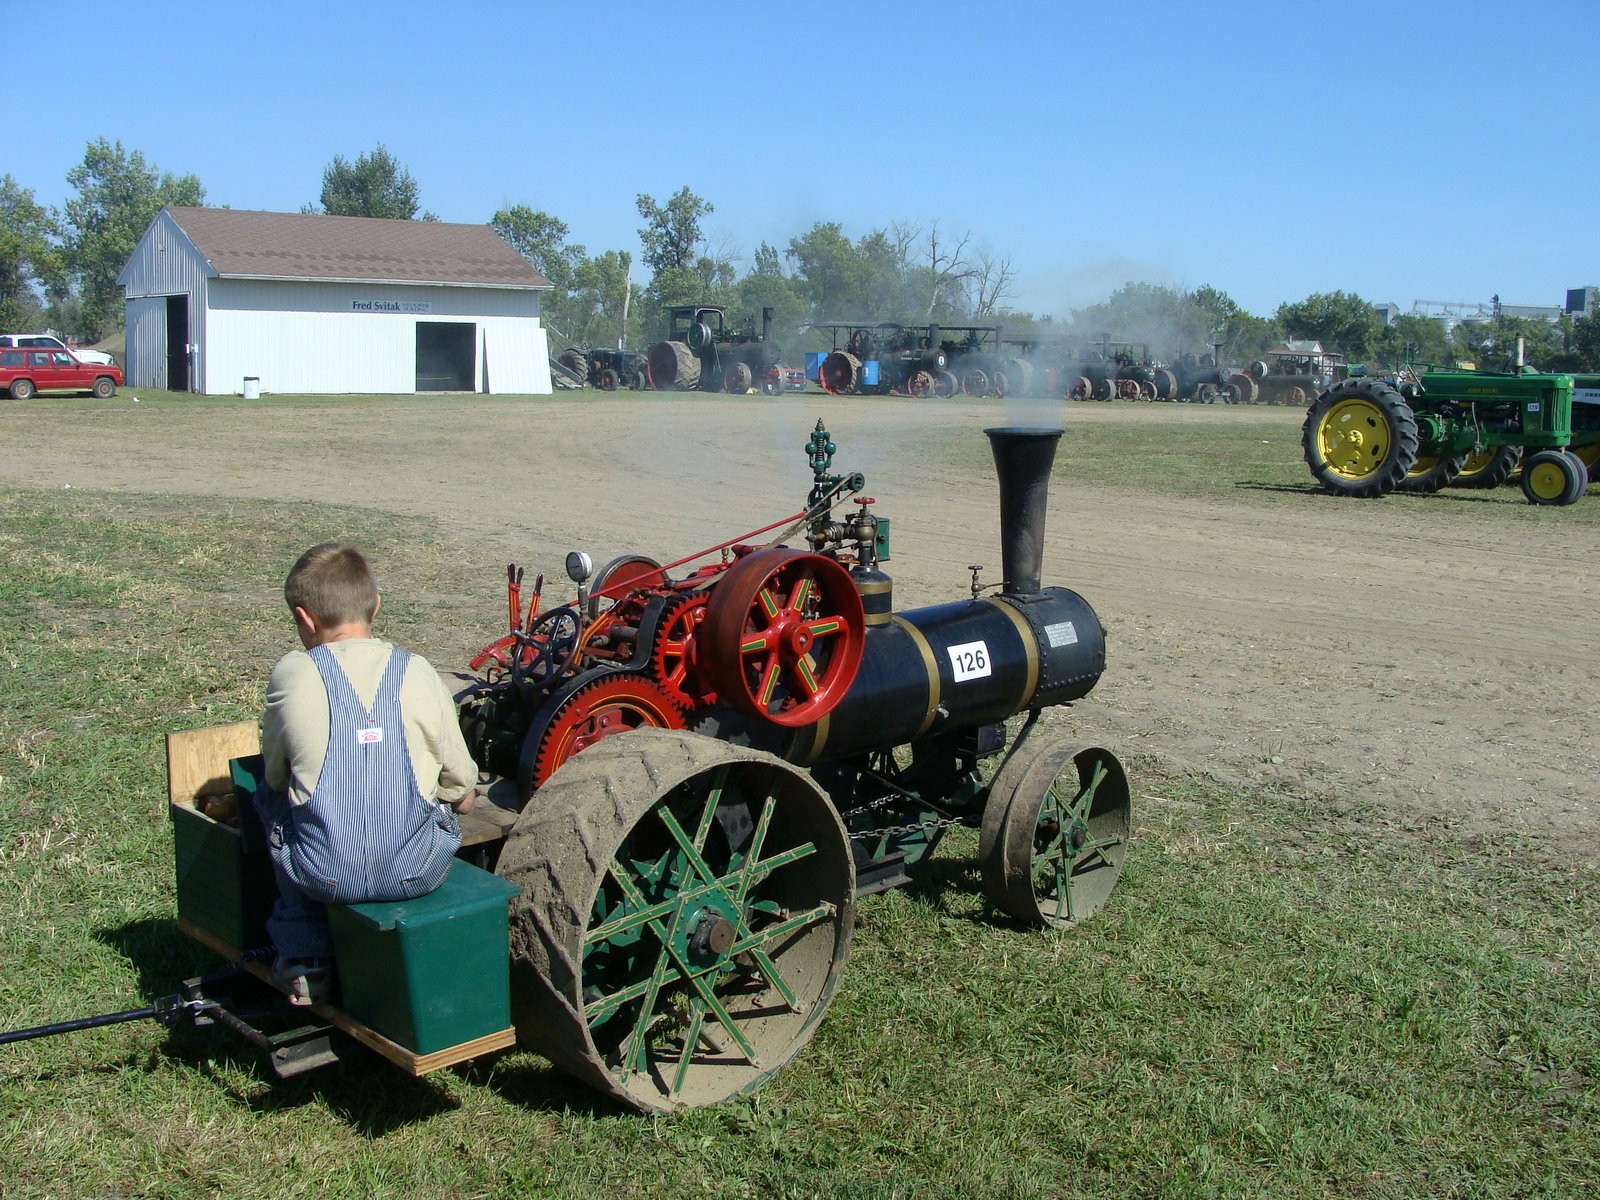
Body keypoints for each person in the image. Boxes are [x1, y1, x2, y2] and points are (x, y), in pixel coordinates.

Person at [258, 542, 478, 1005]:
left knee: (269, 799)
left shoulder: (292, 675)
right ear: (375, 604)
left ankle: (304, 953)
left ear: (304, 618)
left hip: (323, 875)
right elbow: (461, 783)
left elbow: (278, 777)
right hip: (417, 871)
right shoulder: (417, 671)